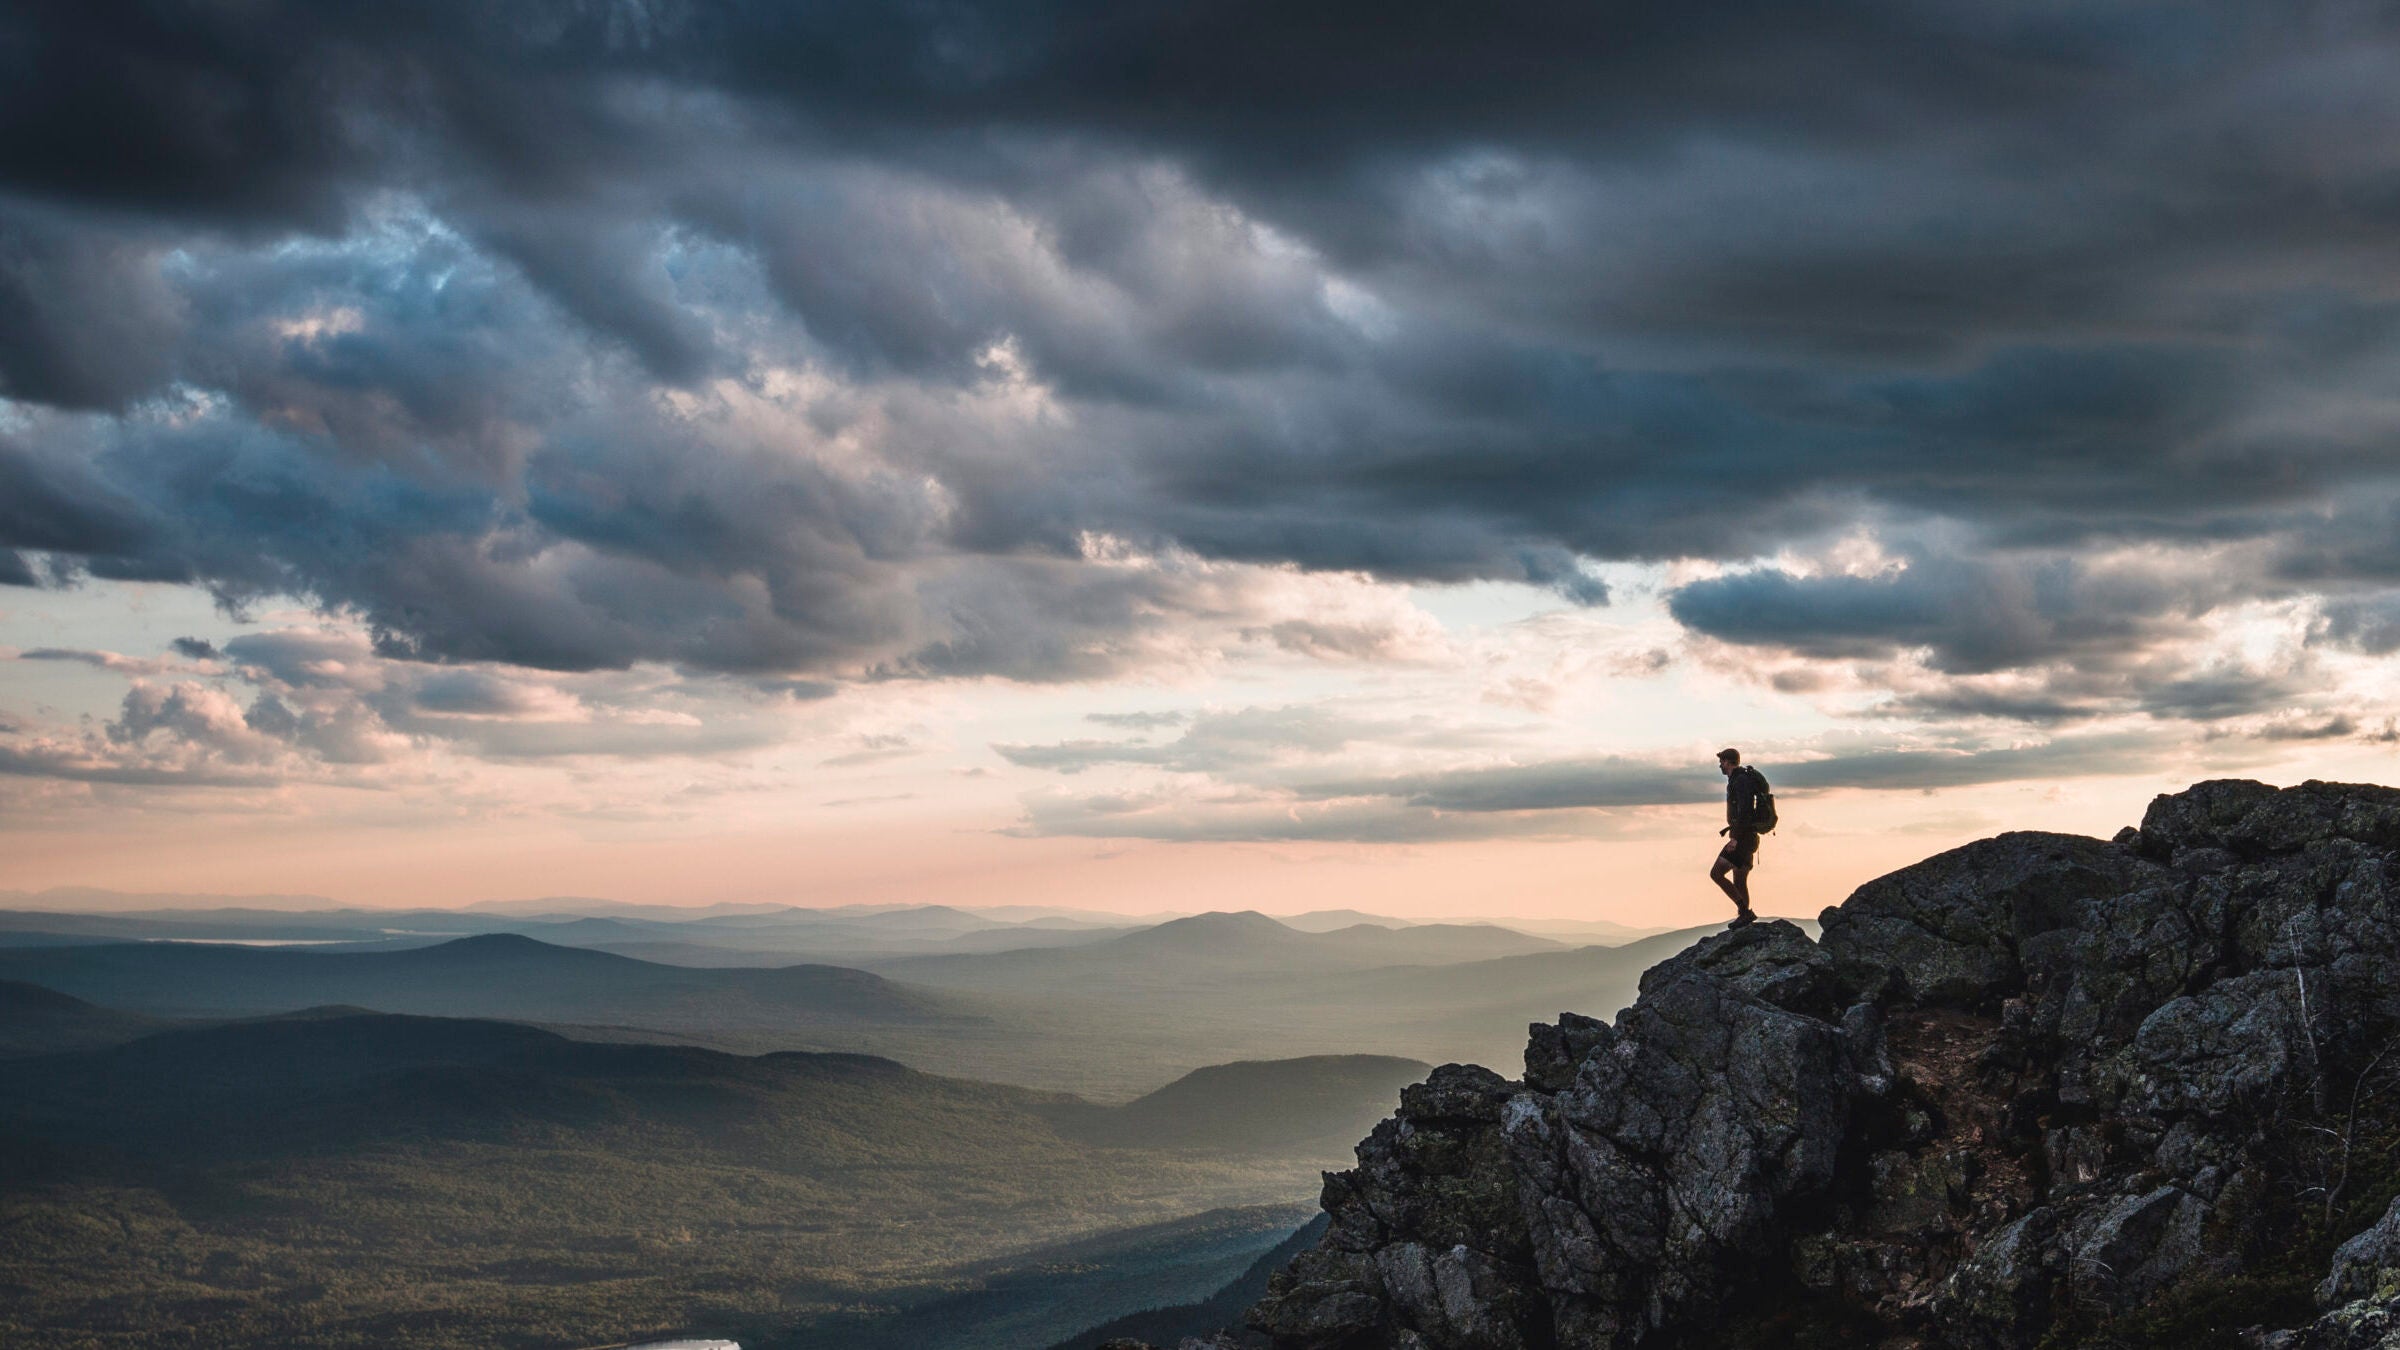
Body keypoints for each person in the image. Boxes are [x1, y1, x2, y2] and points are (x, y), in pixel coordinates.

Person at [1710, 748, 1766, 928]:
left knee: (1716, 873)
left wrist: (1734, 838)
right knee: (1739, 880)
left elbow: (1745, 811)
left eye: (1722, 761)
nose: (1720, 765)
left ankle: (1744, 912)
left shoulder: (1740, 781)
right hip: (1749, 838)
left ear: (1728, 762)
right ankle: (1745, 919)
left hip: (1742, 838)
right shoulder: (1740, 779)